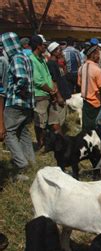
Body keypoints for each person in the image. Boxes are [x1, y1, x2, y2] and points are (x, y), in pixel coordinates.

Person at [0, 32, 35, 181]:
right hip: (27, 104)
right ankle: (31, 161)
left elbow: (21, 78)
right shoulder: (26, 57)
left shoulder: (16, 58)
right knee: (23, 132)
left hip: (15, 103)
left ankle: (21, 165)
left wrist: (13, 90)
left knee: (8, 132)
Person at [29, 35, 58, 149]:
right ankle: (40, 145)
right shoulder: (32, 59)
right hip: (40, 95)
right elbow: (38, 81)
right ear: (38, 46)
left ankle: (53, 143)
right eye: (43, 45)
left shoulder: (42, 59)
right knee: (40, 123)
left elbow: (47, 76)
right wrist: (51, 90)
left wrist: (53, 89)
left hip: (49, 94)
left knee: (53, 121)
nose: (44, 47)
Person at [78, 44, 101, 131]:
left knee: (86, 127)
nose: (99, 57)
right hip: (96, 102)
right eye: (97, 54)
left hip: (86, 101)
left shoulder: (81, 68)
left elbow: (79, 84)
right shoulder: (97, 70)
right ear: (93, 55)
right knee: (96, 126)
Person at [47, 42, 72, 132]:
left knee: (62, 118)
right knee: (58, 120)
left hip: (63, 94)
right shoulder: (51, 64)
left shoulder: (57, 63)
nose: (61, 51)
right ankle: (58, 139)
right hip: (59, 96)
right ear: (54, 52)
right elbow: (53, 81)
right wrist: (59, 96)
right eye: (59, 50)